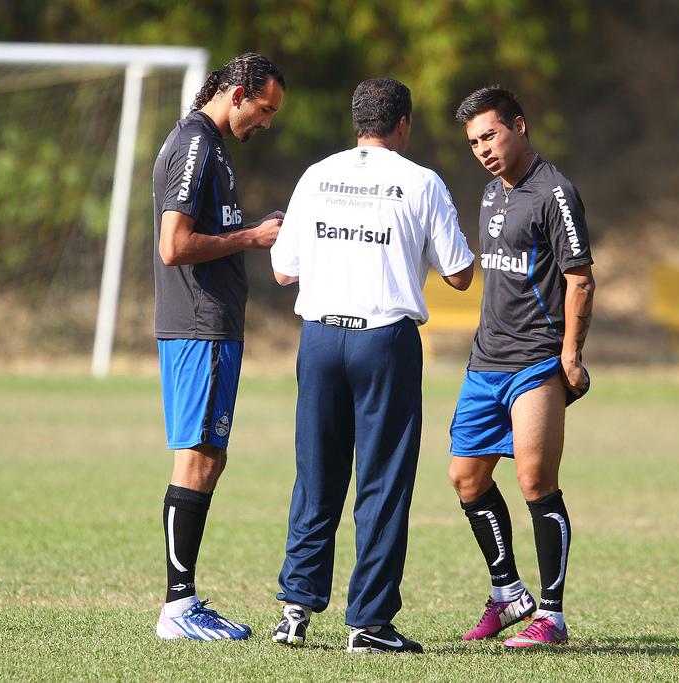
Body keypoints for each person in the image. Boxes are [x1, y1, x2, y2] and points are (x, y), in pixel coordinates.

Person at [270, 78, 475, 654]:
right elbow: (459, 273)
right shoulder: (422, 182)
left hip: (318, 338)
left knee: (316, 473)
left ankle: (295, 610)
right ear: (403, 124)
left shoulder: (316, 175)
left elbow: (283, 269)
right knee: (382, 481)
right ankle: (369, 623)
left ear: (357, 122)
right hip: (383, 342)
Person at [447, 85, 595, 648]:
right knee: (466, 479)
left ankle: (551, 616)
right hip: (484, 362)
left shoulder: (556, 193)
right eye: (473, 142)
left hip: (536, 363)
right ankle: (509, 594)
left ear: (519, 126)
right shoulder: (489, 195)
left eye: (490, 135)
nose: (482, 149)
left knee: (536, 482)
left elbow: (580, 277)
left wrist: (570, 358)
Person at [152, 53, 286, 641]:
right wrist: (254, 237)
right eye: (264, 108)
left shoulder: (209, 143)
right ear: (237, 93)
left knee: (207, 453)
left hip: (210, 324)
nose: (267, 122)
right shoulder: (196, 143)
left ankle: (183, 602)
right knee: (199, 455)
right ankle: (179, 606)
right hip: (199, 323)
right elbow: (173, 245)